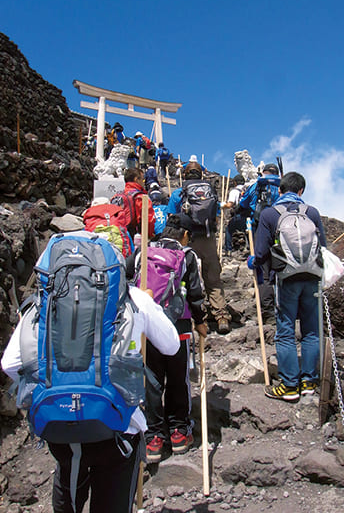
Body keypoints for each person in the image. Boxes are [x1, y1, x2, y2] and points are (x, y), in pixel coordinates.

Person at [1, 286, 180, 513]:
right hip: (118, 429)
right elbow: (172, 345)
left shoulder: (46, 296)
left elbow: (11, 364)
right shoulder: (133, 297)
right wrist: (147, 309)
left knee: (69, 482)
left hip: (61, 425)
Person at [248, 171, 327, 402]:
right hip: (312, 277)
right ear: (301, 191)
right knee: (311, 331)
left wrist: (253, 262)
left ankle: (290, 385)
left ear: (280, 190)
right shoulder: (311, 212)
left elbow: (261, 252)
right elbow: (322, 246)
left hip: (285, 279)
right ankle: (309, 381)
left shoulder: (271, 214)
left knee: (285, 333)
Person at [143, 214, 208, 463]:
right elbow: (195, 291)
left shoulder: (143, 252)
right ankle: (179, 432)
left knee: (152, 380)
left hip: (148, 326)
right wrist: (200, 321)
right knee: (179, 378)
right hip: (178, 325)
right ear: (184, 234)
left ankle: (154, 438)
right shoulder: (187, 255)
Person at [167, 161, 231, 334]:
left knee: (186, 276)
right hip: (208, 238)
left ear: (185, 175)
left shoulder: (178, 193)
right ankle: (221, 315)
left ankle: (195, 317)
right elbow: (217, 216)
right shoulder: (210, 192)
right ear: (201, 175)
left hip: (186, 238)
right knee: (212, 275)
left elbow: (172, 217)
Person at [239, 163, 281, 317]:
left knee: (263, 267)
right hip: (282, 228)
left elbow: (244, 202)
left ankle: (267, 311)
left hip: (261, 228)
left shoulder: (257, 184)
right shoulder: (283, 185)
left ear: (263, 172)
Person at [111, 167, 156, 241]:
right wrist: (149, 235)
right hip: (135, 237)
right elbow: (148, 219)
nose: (143, 182)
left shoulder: (119, 195)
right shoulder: (141, 197)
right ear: (136, 179)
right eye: (142, 179)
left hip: (118, 234)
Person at [221, 174, 246, 257]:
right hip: (250, 215)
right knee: (249, 231)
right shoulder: (248, 189)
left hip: (239, 216)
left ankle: (228, 250)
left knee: (228, 229)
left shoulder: (234, 191)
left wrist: (223, 205)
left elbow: (230, 204)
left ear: (235, 182)